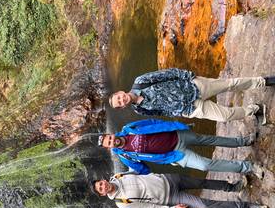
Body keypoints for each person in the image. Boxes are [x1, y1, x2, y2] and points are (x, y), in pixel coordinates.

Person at [98, 119, 264, 177]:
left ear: (111, 134)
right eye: (109, 143)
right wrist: (134, 175)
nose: (113, 141)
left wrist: (176, 125)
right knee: (205, 165)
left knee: (208, 140)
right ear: (109, 148)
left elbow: (153, 122)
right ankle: (247, 167)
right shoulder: (125, 156)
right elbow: (143, 169)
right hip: (175, 155)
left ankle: (242, 141)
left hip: (177, 135)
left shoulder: (129, 128)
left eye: (110, 138)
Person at [108, 68, 273, 124]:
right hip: (191, 108)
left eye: (119, 97)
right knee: (225, 117)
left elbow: (167, 73)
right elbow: (161, 112)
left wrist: (189, 76)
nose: (122, 100)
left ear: (121, 92)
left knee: (230, 84)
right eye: (120, 103)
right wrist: (180, 113)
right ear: (122, 106)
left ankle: (263, 82)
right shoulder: (139, 109)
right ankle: (254, 110)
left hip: (194, 87)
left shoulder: (140, 81)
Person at [92, 173, 268, 208]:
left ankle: (233, 187)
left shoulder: (117, 176)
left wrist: (157, 175)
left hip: (170, 179)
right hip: (172, 198)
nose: (104, 186)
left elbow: (139, 174)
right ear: (102, 194)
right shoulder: (122, 202)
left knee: (202, 182)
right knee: (204, 204)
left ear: (102, 180)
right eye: (101, 189)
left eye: (101, 183)